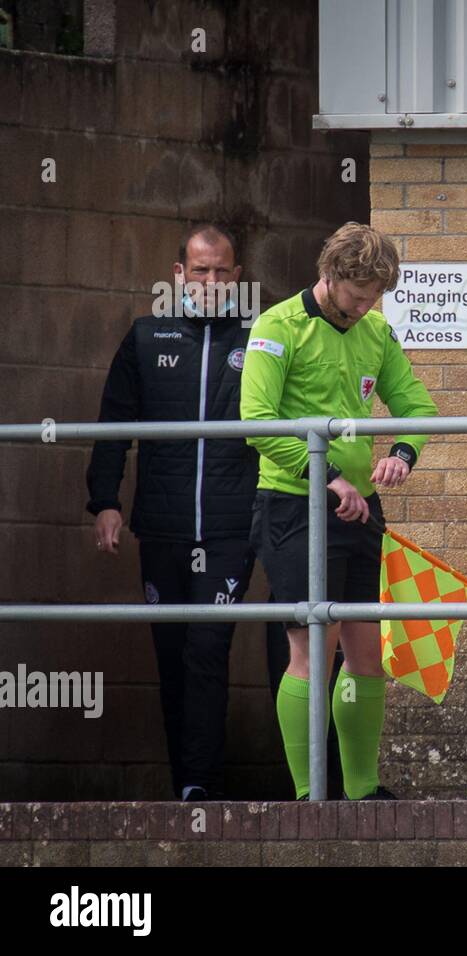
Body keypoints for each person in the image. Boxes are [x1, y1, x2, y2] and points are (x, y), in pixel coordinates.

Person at [240, 222, 438, 800]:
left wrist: (403, 453)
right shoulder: (279, 326)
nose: (365, 307)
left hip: (359, 509)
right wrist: (325, 476)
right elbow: (256, 420)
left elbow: (418, 406)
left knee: (366, 648)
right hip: (295, 504)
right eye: (357, 296)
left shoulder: (374, 328)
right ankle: (309, 795)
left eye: (376, 296)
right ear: (329, 276)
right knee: (312, 645)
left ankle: (363, 791)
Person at [86, 223, 259, 802]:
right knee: (172, 654)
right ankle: (182, 782)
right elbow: (114, 426)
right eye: (199, 270)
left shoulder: (260, 338)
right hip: (161, 525)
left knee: (208, 649)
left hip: (234, 526)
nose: (210, 281)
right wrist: (105, 501)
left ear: (236, 278)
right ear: (179, 275)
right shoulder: (145, 335)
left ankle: (201, 785)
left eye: (221, 271)